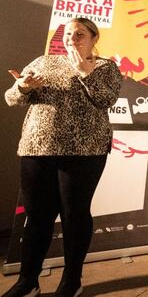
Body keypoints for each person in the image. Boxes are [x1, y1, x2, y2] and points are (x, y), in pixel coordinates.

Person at [3, 17, 122, 297]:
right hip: (37, 148)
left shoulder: (105, 67)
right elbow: (11, 98)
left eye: (80, 33)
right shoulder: (44, 62)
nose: (72, 38)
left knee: (74, 214)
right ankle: (27, 281)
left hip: (84, 151)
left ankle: (72, 281)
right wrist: (24, 87)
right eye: (68, 33)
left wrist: (85, 73)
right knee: (37, 216)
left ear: (94, 38)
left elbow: (107, 100)